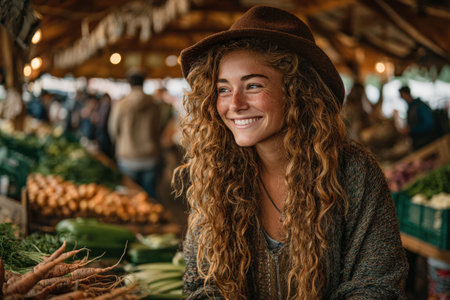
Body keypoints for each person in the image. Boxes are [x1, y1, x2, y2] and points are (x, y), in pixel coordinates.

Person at [173, 5, 408, 299]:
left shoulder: (352, 171)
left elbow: (378, 286)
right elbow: (200, 285)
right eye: (223, 89)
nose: (234, 103)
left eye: (253, 85)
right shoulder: (217, 171)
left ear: (297, 90)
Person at [108, 70, 165, 201]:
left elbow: (113, 130)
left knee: (130, 200)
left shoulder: (121, 104)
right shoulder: (154, 104)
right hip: (150, 156)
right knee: (150, 198)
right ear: (144, 82)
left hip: (128, 157)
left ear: (129, 83)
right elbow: (159, 128)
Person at [399, 85, 438, 150]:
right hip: (419, 143)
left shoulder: (420, 106)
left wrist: (411, 129)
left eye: (402, 96)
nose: (402, 98)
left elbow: (429, 124)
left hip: (427, 142)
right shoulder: (410, 108)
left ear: (406, 94)